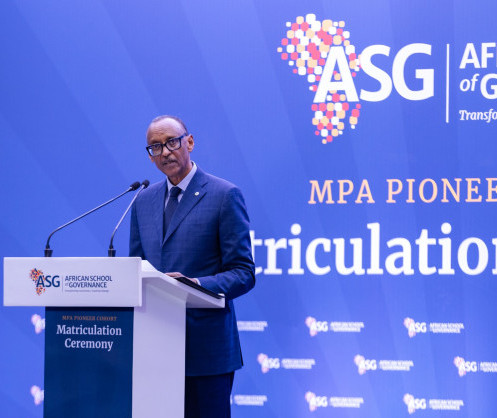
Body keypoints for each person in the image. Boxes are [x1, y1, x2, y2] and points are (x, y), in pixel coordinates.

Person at [129, 115, 255, 418]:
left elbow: (243, 273)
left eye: (172, 142)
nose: (165, 152)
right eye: (155, 147)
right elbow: (136, 269)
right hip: (154, 350)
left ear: (190, 142)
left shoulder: (224, 195)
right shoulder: (142, 201)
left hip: (206, 353)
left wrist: (195, 286)